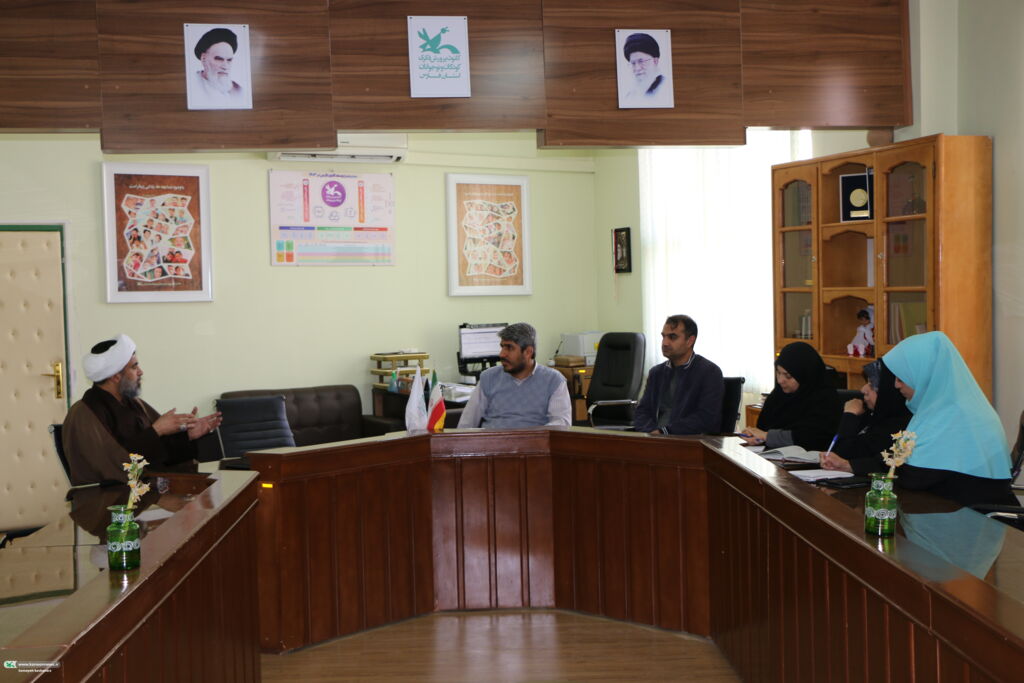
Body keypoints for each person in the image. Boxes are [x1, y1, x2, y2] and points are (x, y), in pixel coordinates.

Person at [62, 334, 222, 486]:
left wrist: (188, 435)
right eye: (134, 367)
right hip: (112, 499)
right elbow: (114, 468)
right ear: (115, 376)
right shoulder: (84, 414)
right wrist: (157, 430)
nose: (140, 372)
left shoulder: (134, 403)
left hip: (146, 488)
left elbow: (159, 452)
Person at [881, 331, 1014, 506]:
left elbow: (914, 478)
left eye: (901, 377)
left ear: (925, 373)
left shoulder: (957, 415)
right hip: (947, 508)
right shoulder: (943, 407)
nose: (896, 384)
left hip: (970, 516)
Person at [457, 322, 571, 429]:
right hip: (493, 442)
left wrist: (530, 436)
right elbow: (466, 423)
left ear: (528, 352)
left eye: (509, 348)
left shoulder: (553, 380)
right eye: (502, 347)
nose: (502, 354)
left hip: (534, 441)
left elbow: (561, 423)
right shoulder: (488, 377)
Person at [740, 341, 842, 450]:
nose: (780, 380)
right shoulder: (778, 395)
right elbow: (763, 428)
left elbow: (810, 438)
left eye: (788, 376)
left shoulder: (825, 399)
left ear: (804, 375)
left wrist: (766, 436)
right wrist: (753, 435)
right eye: (778, 372)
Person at [633, 315, 724, 435]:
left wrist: (664, 432)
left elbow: (706, 419)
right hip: (653, 438)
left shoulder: (709, 372)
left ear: (690, 341)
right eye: (663, 336)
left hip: (686, 441)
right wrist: (651, 433)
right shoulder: (656, 372)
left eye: (672, 337)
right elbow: (642, 411)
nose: (665, 343)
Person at [819, 359, 911, 474]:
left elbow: (843, 454)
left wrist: (849, 415)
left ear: (888, 391)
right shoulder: (870, 414)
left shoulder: (897, 427)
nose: (863, 390)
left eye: (872, 386)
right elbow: (833, 454)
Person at [189, 27, 246, 108]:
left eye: (229, 60)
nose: (225, 66)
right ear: (204, 59)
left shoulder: (238, 90)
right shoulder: (192, 85)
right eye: (219, 59)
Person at [621, 32, 670, 106]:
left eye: (641, 61)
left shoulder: (666, 89)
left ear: (655, 61)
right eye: (633, 63)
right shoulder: (630, 96)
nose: (637, 68)